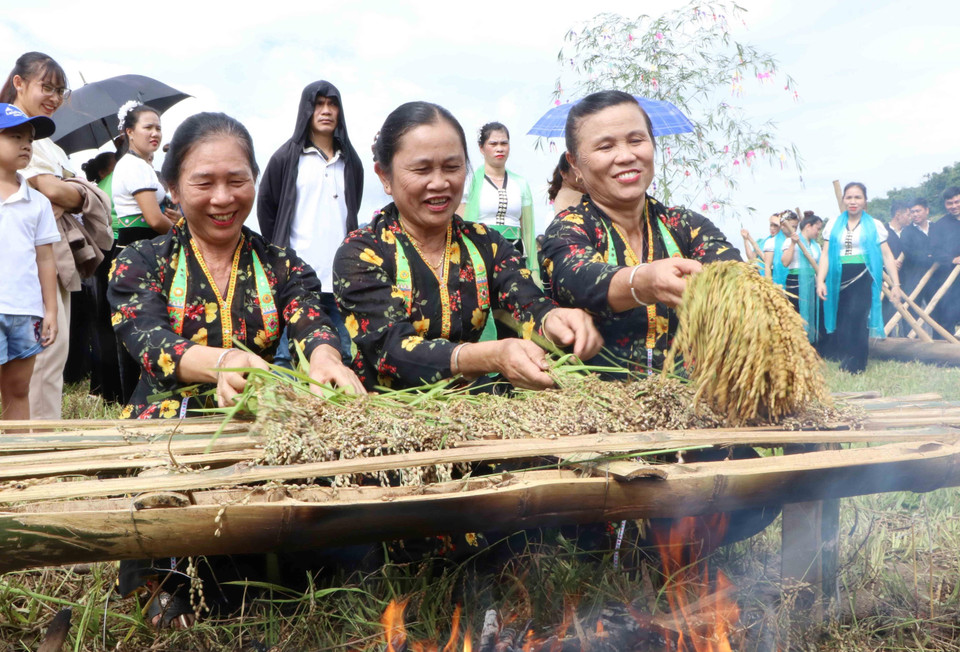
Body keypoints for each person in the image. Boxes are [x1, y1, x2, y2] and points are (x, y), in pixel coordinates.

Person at [108, 111, 364, 419]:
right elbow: (150, 341)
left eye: (237, 180)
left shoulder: (282, 265)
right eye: (204, 183)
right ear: (174, 190)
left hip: (257, 428)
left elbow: (311, 321)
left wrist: (325, 358)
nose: (223, 197)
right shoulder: (141, 262)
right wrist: (224, 361)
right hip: (163, 432)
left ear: (254, 179)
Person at [333, 101, 602, 392]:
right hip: (388, 415)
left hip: (472, 410)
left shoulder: (487, 244)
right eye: (421, 169)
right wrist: (490, 356)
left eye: (452, 167)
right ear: (385, 176)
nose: (439, 183)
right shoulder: (362, 253)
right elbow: (391, 350)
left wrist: (554, 321)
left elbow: (527, 305)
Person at [538, 90, 739, 375]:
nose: (626, 156)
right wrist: (645, 281)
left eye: (636, 140)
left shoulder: (686, 225)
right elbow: (579, 279)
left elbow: (735, 275)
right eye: (605, 147)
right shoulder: (568, 229)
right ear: (574, 163)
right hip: (598, 407)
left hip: (688, 401)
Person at [2, 52, 86, 420]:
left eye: (60, 90)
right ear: (18, 83)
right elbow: (59, 193)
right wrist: (74, 190)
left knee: (49, 359)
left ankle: (38, 450)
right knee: (38, 368)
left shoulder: (47, 145)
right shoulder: (5, 124)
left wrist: (72, 192)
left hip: (46, 267)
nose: (54, 96)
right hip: (21, 278)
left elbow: (67, 195)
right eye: (46, 86)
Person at [258, 81, 363, 363]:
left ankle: (338, 406)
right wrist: (281, 253)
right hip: (298, 274)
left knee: (344, 350)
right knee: (286, 352)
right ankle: (278, 403)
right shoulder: (286, 158)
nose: (325, 111)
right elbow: (267, 207)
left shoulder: (351, 161)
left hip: (340, 274)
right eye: (318, 104)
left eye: (332, 104)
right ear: (307, 110)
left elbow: (352, 208)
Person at [111, 103, 179, 402]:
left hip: (144, 247)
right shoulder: (134, 166)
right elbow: (153, 219)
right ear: (129, 132)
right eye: (147, 127)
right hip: (138, 250)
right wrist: (183, 234)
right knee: (142, 325)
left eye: (158, 127)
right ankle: (139, 398)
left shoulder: (142, 166)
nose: (155, 133)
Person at [0, 104, 59, 423]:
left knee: (18, 389)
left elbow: (45, 259)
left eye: (30, 138)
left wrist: (50, 310)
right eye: (15, 136)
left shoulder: (37, 202)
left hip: (26, 310)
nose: (26, 144)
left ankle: (21, 467)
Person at [816, 182, 903, 374]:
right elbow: (825, 255)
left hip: (863, 275)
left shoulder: (874, 225)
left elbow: (887, 255)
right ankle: (848, 356)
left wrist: (896, 284)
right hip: (838, 276)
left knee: (857, 315)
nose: (853, 201)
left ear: (865, 201)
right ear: (843, 200)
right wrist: (820, 280)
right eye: (849, 197)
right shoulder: (833, 224)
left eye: (858, 197)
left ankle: (858, 361)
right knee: (843, 319)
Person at [460, 122, 538, 273]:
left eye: (504, 143)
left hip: (514, 252)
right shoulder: (470, 182)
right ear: (481, 148)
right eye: (493, 144)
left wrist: (533, 267)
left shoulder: (521, 183)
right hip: (481, 252)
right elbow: (461, 225)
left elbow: (527, 230)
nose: (499, 148)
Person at [778, 212, 823, 341]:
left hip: (811, 282)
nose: (818, 232)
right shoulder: (790, 241)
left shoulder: (816, 246)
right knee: (796, 314)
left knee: (811, 313)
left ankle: (811, 344)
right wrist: (793, 243)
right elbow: (785, 262)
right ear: (808, 226)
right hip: (795, 282)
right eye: (817, 229)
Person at [929, 186, 960, 337]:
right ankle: (945, 353)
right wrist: (953, 259)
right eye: (950, 203)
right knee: (948, 315)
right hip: (948, 279)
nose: (954, 206)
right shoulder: (939, 226)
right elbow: (934, 251)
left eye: (957, 202)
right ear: (945, 205)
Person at [900, 197, 934, 303]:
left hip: (935, 275)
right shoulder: (906, 232)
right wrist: (931, 256)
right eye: (912, 212)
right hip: (914, 277)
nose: (915, 215)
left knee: (936, 309)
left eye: (918, 211)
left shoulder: (936, 227)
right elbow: (910, 253)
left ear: (927, 210)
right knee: (912, 309)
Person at [762, 210, 798, 281]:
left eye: (795, 227)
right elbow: (767, 266)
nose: (793, 229)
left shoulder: (798, 242)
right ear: (782, 226)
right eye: (791, 226)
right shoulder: (771, 242)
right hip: (778, 284)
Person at [547, 152, 585, 216]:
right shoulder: (575, 196)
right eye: (575, 170)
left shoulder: (562, 193)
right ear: (563, 174)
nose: (581, 174)